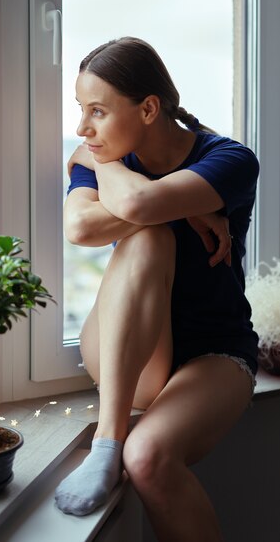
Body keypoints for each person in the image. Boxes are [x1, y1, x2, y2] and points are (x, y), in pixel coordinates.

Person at [54, 37, 259, 542]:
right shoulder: (102, 157)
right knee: (149, 239)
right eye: (81, 111)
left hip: (214, 353)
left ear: (148, 109)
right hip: (130, 359)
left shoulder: (230, 159)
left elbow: (142, 206)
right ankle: (107, 441)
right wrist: (178, 203)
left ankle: (120, 448)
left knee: (147, 458)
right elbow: (80, 228)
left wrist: (106, 168)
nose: (83, 130)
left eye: (97, 111)